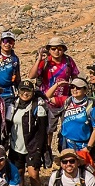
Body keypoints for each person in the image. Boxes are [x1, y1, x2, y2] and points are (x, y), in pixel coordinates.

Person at [28, 36, 80, 165]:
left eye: (59, 48)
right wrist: (39, 59)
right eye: (53, 48)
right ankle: (47, 152)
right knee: (49, 129)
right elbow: (32, 75)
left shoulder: (68, 61)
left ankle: (66, 152)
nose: (57, 51)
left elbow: (75, 77)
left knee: (67, 127)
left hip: (65, 100)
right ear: (49, 49)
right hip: (47, 100)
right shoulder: (46, 61)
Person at [7, 80, 48, 186]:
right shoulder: (14, 104)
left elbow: (42, 132)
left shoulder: (38, 107)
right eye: (22, 90)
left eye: (28, 91)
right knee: (18, 174)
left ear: (33, 92)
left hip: (32, 147)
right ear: (18, 91)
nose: (25, 93)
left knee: (34, 175)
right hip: (15, 147)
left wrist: (39, 151)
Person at [58, 77, 95, 153]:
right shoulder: (67, 101)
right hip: (65, 143)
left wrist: (88, 147)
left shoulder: (91, 106)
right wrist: (57, 84)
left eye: (78, 88)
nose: (74, 89)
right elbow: (47, 98)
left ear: (85, 90)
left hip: (82, 145)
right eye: (72, 87)